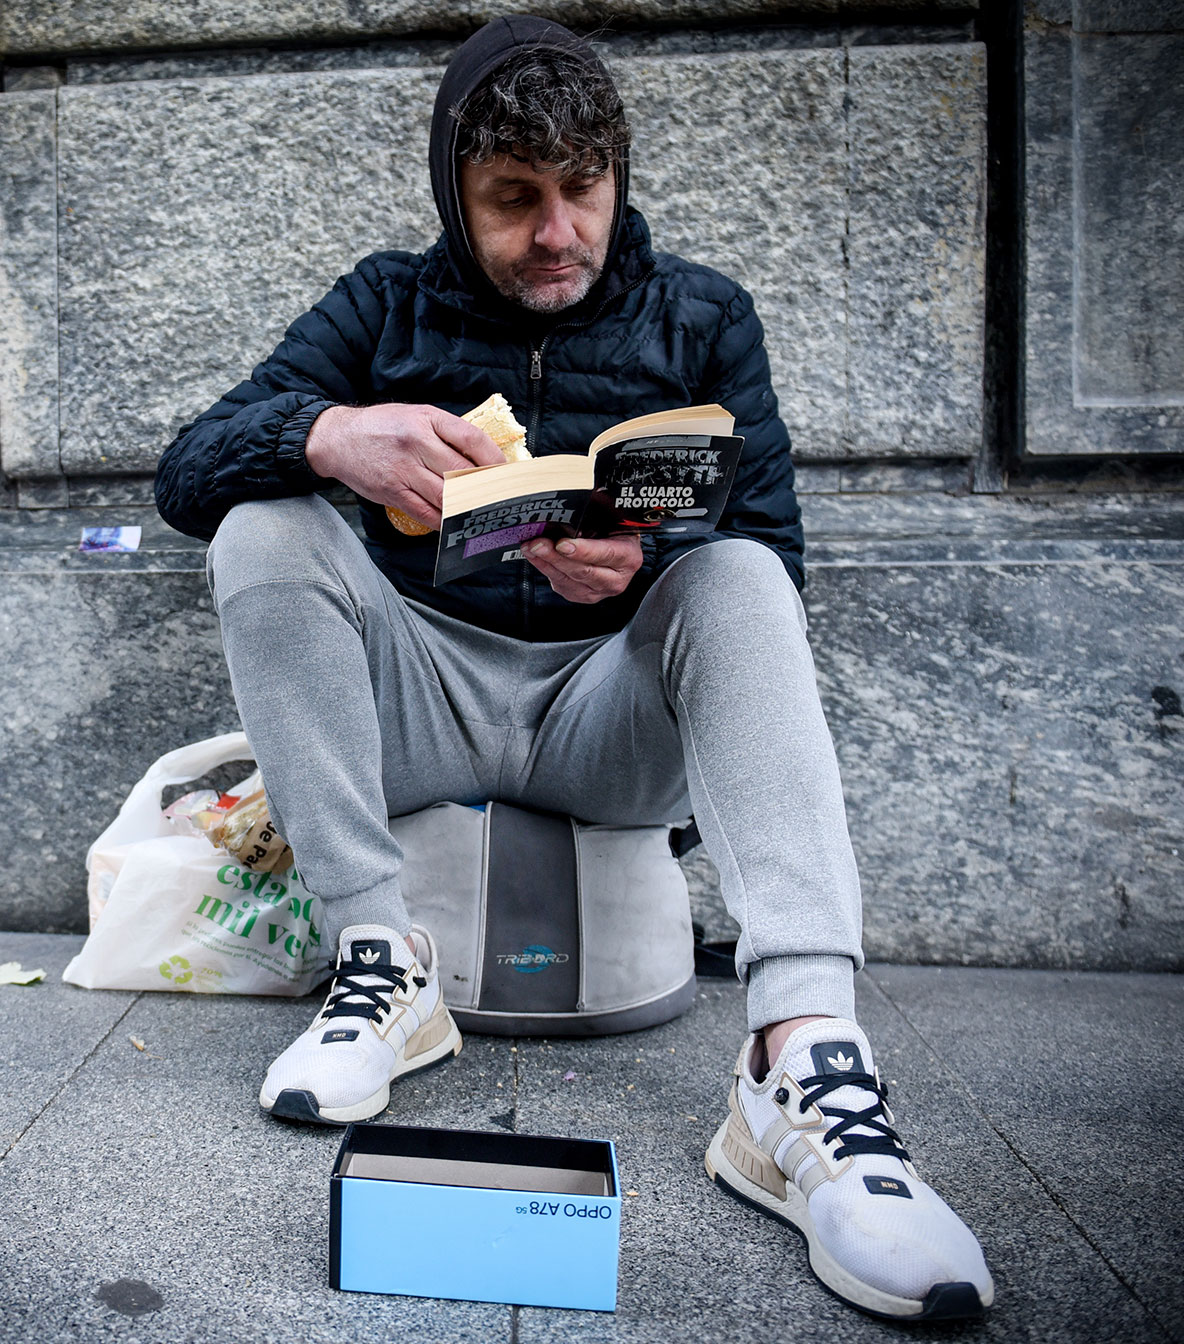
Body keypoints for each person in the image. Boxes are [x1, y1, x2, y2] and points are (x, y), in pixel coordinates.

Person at [155, 15, 993, 1323]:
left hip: (610, 720)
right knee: (264, 525)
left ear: (616, 175)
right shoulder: (382, 302)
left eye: (581, 191)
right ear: (457, 193)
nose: (557, 233)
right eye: (514, 201)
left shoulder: (706, 315)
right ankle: (380, 967)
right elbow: (185, 475)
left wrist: (649, 567)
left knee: (739, 577)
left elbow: (775, 557)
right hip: (422, 698)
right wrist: (330, 435)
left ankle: (802, 1062)